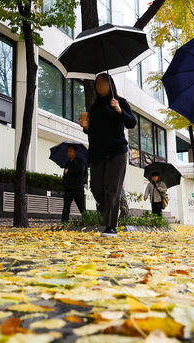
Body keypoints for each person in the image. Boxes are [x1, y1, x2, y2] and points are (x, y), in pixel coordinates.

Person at [78, 73, 136, 237]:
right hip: (97, 153)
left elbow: (131, 123)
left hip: (117, 151)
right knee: (96, 188)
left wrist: (119, 110)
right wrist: (86, 126)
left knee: (112, 188)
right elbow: (93, 132)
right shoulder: (95, 107)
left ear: (110, 84)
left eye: (103, 83)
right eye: (97, 84)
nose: (99, 86)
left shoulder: (119, 102)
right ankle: (111, 212)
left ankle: (111, 225)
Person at [61, 145, 87, 223]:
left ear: (75, 152)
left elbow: (81, 172)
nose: (69, 153)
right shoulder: (67, 163)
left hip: (78, 188)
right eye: (68, 151)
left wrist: (69, 171)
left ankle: (87, 221)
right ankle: (64, 223)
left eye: (71, 151)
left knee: (81, 207)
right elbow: (65, 175)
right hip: (68, 189)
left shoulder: (80, 161)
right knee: (66, 207)